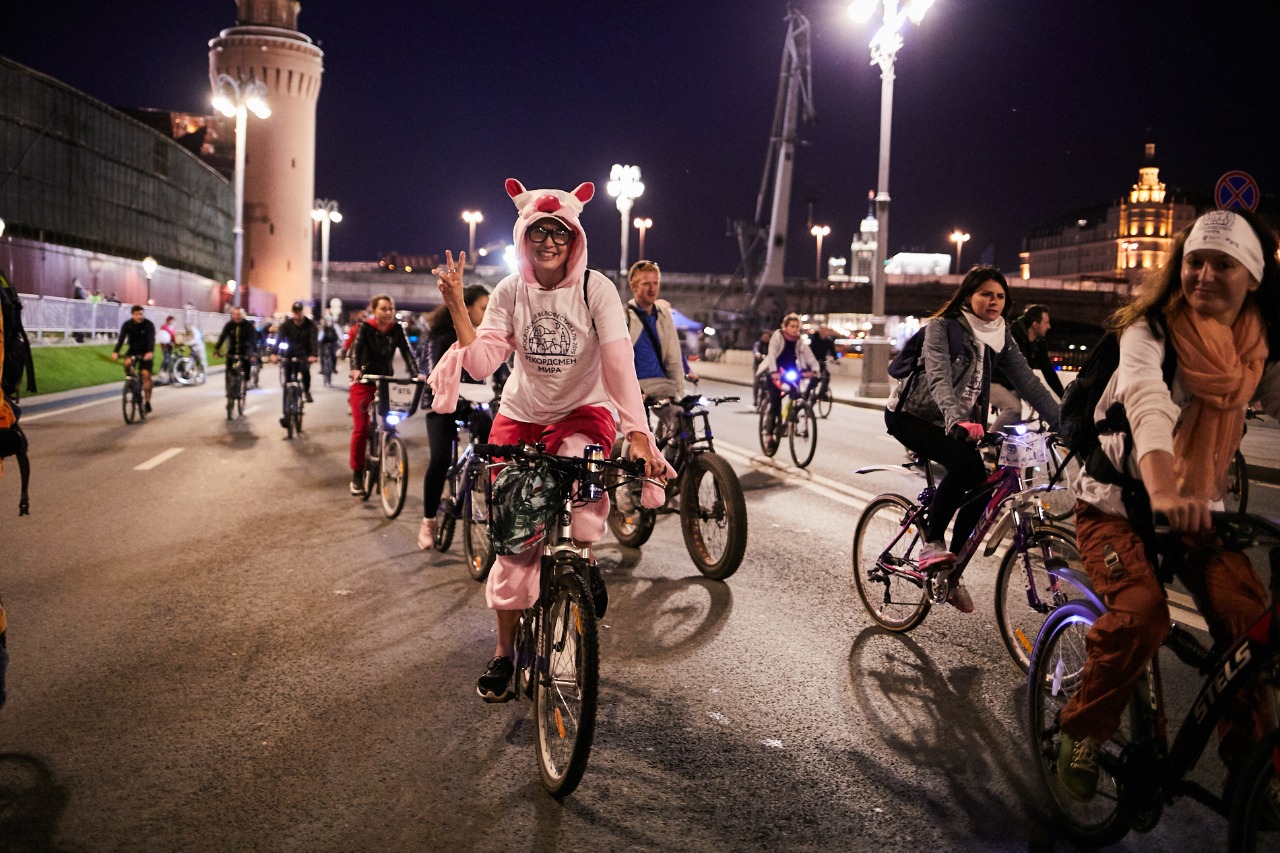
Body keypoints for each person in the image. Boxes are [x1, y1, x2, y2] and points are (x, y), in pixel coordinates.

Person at [1053, 209, 1280, 802]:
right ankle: (1081, 731)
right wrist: (1164, 490)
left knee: (1250, 623)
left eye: (1222, 264)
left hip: (1197, 512)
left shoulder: (1256, 350)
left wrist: (1186, 500)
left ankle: (1253, 774)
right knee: (1143, 617)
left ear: (1252, 277)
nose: (1202, 274)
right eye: (1194, 261)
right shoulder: (1148, 331)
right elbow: (1148, 408)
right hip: (1115, 507)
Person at [427, 178, 671, 704]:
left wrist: (638, 433)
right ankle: (503, 653)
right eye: (538, 231)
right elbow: (483, 360)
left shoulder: (597, 289)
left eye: (559, 231)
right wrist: (454, 305)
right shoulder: (512, 292)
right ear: (524, 236)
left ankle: (581, 562)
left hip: (585, 410)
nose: (549, 241)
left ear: (574, 237)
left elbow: (618, 364)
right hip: (521, 415)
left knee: (582, 491)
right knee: (517, 541)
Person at [884, 266, 1060, 611]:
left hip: (958, 422)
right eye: (985, 294)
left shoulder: (1000, 335)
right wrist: (956, 419)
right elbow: (937, 376)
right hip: (912, 416)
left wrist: (1063, 422)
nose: (993, 302)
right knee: (964, 466)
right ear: (968, 296)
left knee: (984, 484)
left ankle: (949, 571)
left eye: (999, 296)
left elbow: (1029, 382)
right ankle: (933, 543)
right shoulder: (941, 327)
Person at [418, 285, 491, 548]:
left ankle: (481, 477)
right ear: (467, 308)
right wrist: (448, 387)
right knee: (439, 459)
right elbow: (433, 368)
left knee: (494, 443)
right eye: (483, 308)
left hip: (472, 402)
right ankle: (428, 521)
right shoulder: (440, 335)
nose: (488, 312)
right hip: (441, 402)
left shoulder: (484, 334)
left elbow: (497, 366)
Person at [347, 294, 423, 495]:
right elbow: (355, 350)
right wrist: (355, 369)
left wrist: (417, 374)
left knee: (391, 422)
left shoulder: (396, 329)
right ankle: (356, 473)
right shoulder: (365, 327)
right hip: (363, 381)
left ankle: (389, 446)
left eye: (390, 308)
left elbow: (407, 352)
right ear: (374, 310)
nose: (388, 312)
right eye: (383, 309)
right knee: (361, 428)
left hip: (385, 381)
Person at [989, 303, 1066, 433]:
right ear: (1035, 325)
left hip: (1012, 385)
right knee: (1014, 409)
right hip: (991, 381)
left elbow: (1049, 373)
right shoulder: (1012, 336)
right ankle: (987, 443)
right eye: (1046, 323)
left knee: (1015, 420)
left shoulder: (1038, 343)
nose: (1049, 326)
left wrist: (1064, 397)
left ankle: (1003, 448)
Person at [755, 313, 821, 448]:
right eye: (792, 326)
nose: (795, 329)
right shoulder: (777, 336)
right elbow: (772, 354)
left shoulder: (799, 341)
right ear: (785, 327)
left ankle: (791, 417)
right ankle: (769, 434)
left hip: (791, 372)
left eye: (797, 326)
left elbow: (809, 356)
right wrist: (773, 371)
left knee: (797, 395)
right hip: (775, 372)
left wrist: (815, 370)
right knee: (775, 403)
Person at [110, 305, 156, 412]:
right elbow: (121, 339)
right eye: (137, 314)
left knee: (145, 375)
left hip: (145, 352)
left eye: (141, 314)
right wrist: (116, 352)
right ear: (132, 315)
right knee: (127, 363)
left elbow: (151, 339)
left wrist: (150, 352)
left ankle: (148, 402)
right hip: (133, 350)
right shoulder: (127, 325)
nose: (139, 316)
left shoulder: (149, 325)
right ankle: (130, 381)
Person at [272, 301, 317, 405]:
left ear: (302, 312)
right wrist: (274, 353)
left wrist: (313, 355)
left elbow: (313, 341)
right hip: (289, 354)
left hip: (304, 355)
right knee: (287, 380)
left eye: (300, 312)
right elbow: (279, 339)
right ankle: (287, 408)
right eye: (296, 312)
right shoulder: (286, 326)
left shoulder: (310, 325)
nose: (298, 314)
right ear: (293, 312)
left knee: (305, 372)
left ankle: (306, 391)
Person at [214, 306, 257, 390]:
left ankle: (246, 380)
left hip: (244, 350)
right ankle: (229, 389)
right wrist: (216, 349)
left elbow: (253, 340)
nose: (237, 316)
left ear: (242, 315)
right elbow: (222, 337)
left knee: (246, 364)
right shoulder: (229, 325)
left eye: (239, 314)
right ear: (232, 315)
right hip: (232, 350)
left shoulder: (248, 325)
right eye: (235, 314)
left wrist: (254, 353)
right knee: (229, 369)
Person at [808, 324, 840, 401]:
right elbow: (811, 349)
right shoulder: (815, 338)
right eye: (822, 329)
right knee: (814, 379)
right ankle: (807, 392)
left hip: (822, 362)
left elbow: (832, 351)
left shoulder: (828, 340)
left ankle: (821, 395)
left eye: (825, 330)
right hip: (814, 361)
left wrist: (836, 359)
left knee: (826, 376)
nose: (823, 331)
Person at [318, 318, 340, 386]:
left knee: (334, 355)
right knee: (321, 356)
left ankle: (333, 368)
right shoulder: (322, 330)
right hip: (323, 346)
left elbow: (336, 337)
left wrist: (337, 342)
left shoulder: (332, 329)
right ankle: (322, 369)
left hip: (331, 346)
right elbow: (319, 339)